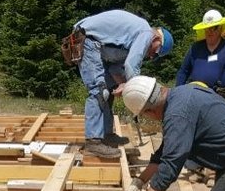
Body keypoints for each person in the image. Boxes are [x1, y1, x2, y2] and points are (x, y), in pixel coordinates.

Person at [72, 10, 173, 159]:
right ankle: (93, 142)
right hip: (89, 42)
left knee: (109, 90)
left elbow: (114, 69)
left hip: (94, 44)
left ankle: (106, 135)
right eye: (156, 52)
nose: (152, 56)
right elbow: (131, 66)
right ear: (157, 38)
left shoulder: (130, 39)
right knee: (99, 91)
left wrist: (123, 86)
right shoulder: (146, 33)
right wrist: (136, 92)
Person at [175, 10, 225, 107]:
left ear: (220, 28)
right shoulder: (195, 48)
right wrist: (178, 92)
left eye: (214, 28)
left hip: (219, 100)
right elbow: (183, 71)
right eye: (207, 28)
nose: (210, 31)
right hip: (194, 97)